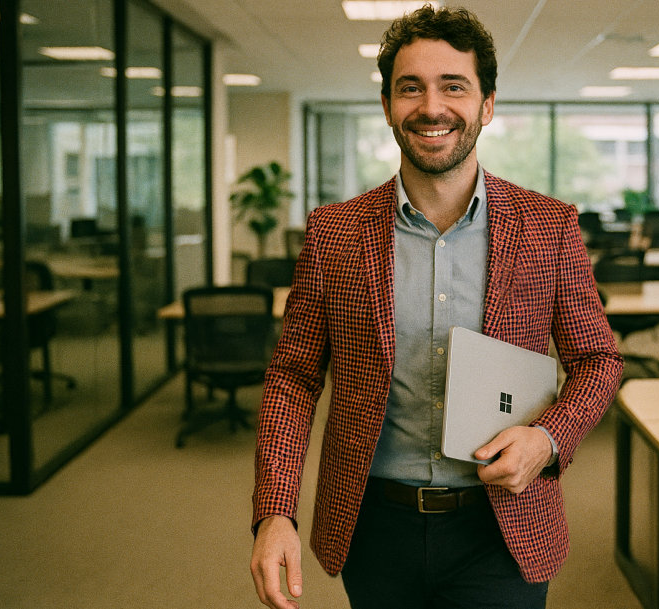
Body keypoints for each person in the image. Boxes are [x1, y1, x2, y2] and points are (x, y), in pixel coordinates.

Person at [250, 5, 623, 609]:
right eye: (410, 88)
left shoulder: (547, 225)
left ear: (487, 105)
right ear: (388, 107)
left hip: (502, 526)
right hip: (375, 527)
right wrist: (274, 511)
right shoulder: (334, 233)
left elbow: (599, 360)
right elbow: (292, 379)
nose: (431, 106)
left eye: (454, 86)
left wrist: (548, 440)